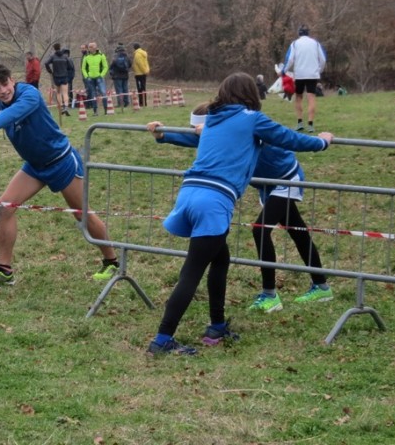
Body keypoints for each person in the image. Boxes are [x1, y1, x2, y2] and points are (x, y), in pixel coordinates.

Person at [144, 73, 333, 356]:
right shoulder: (251, 119)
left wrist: (162, 135)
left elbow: (196, 139)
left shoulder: (214, 120)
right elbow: (289, 137)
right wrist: (322, 142)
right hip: (213, 201)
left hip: (190, 193)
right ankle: (162, 339)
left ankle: (217, 327)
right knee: (192, 271)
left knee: (220, 258)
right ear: (251, 95)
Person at [0, 64, 120, 287]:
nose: (3, 91)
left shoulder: (30, 95)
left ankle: (112, 261)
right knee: (5, 207)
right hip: (35, 167)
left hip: (62, 162)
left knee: (82, 215)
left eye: (5, 84)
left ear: (12, 81)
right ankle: (5, 270)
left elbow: (9, 115)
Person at [282, 25, 326, 132]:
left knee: (298, 98)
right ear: (308, 33)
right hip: (312, 74)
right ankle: (310, 124)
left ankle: (300, 122)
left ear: (299, 33)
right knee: (311, 98)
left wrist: (283, 71)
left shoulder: (295, 44)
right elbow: (323, 59)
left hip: (300, 75)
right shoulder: (315, 43)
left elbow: (290, 59)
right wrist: (319, 70)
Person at [43, 43, 71, 115]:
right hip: (64, 76)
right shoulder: (65, 57)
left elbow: (46, 63)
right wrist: (66, 69)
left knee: (58, 93)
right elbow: (70, 66)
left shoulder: (53, 57)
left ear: (54, 49)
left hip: (56, 76)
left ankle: (61, 107)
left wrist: (50, 71)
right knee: (65, 93)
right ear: (60, 47)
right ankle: (66, 107)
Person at [82, 42, 108, 115]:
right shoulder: (86, 56)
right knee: (93, 94)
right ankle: (95, 111)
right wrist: (87, 76)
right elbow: (83, 68)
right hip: (90, 78)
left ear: (96, 47)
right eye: (89, 47)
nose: (91, 48)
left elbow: (105, 67)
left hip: (99, 77)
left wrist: (101, 75)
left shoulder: (101, 55)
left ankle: (106, 109)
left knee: (103, 92)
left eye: (92, 46)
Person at [109, 44, 131, 108]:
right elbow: (130, 64)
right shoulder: (126, 57)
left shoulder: (115, 57)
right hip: (125, 75)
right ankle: (126, 102)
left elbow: (112, 66)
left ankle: (120, 103)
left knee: (119, 90)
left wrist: (111, 73)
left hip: (117, 76)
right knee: (125, 89)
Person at [132, 42, 150, 107]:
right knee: (143, 88)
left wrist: (144, 71)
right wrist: (147, 70)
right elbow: (146, 63)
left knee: (140, 89)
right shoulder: (144, 53)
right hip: (143, 73)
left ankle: (141, 103)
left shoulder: (137, 55)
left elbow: (140, 64)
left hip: (139, 74)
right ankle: (144, 102)